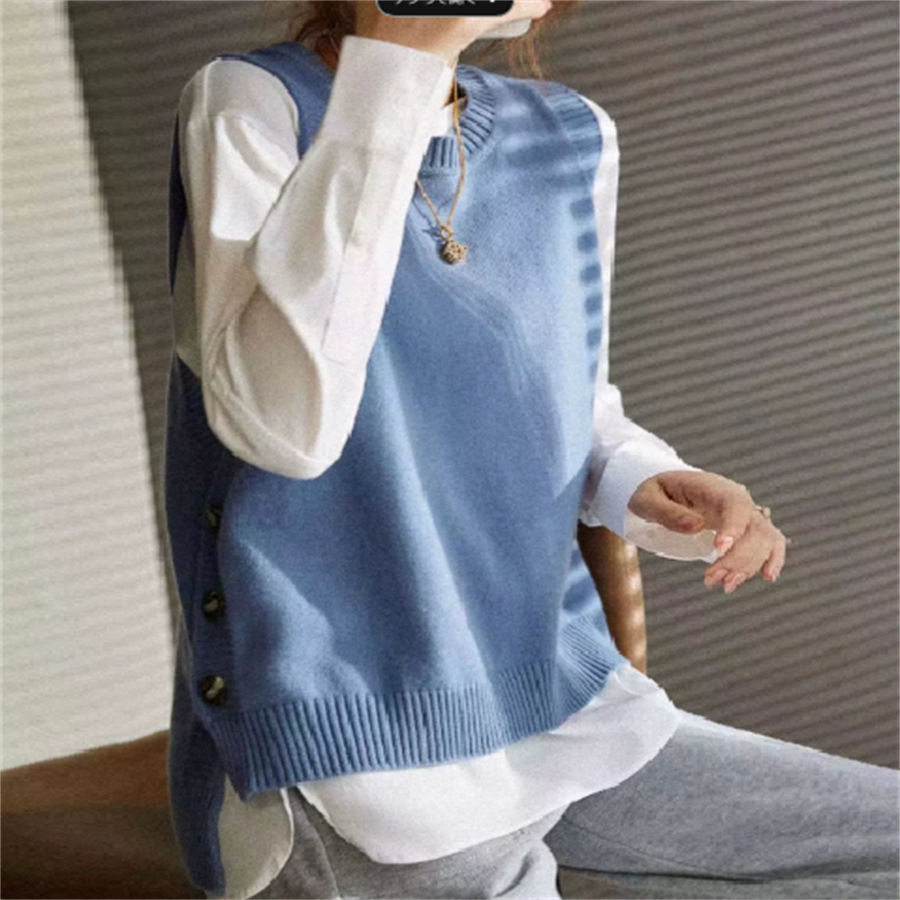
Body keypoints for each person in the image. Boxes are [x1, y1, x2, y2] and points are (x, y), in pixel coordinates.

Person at [161, 2, 900, 898]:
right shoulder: (253, 104)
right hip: (352, 744)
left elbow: (566, 392)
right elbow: (284, 429)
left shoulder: (569, 136)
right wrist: (397, 59)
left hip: (557, 701)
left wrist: (640, 478)